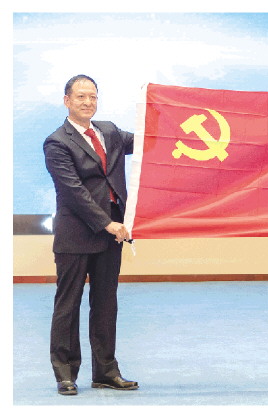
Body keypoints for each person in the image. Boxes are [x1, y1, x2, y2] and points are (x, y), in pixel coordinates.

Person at [44, 75, 138, 395]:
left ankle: (106, 371)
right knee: (68, 305)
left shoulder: (110, 131)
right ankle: (65, 374)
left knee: (106, 304)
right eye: (81, 96)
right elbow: (73, 192)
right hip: (77, 233)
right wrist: (106, 223)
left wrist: (166, 114)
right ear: (67, 100)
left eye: (93, 97)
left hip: (113, 233)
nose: (88, 102)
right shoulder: (57, 142)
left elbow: (147, 141)